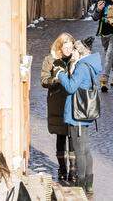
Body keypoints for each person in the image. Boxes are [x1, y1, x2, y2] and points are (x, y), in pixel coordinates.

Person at [56, 38, 102, 196]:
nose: (72, 52)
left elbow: (70, 87)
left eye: (75, 49)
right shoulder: (89, 64)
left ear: (80, 51)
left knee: (80, 151)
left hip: (78, 114)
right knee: (86, 150)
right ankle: (88, 185)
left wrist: (60, 74)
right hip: (84, 112)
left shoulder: (82, 67)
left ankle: (81, 185)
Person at [40, 34, 76, 184]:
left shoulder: (76, 59)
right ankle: (62, 168)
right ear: (60, 47)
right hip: (57, 102)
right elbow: (43, 80)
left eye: (70, 47)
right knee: (61, 136)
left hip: (73, 103)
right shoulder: (50, 59)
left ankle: (73, 170)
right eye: (65, 47)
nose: (68, 50)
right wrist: (56, 80)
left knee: (73, 137)